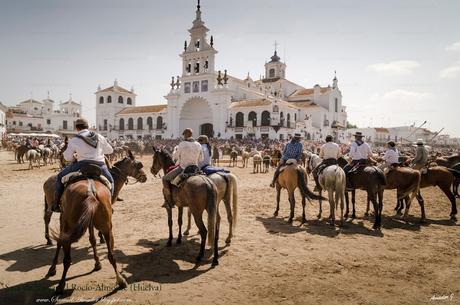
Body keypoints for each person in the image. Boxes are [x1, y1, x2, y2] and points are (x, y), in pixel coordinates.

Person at [51, 118, 114, 212]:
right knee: (112, 182)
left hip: (82, 165)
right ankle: (110, 204)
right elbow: (110, 150)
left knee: (59, 177)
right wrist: (98, 151)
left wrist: (74, 157)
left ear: (77, 128)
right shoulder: (100, 136)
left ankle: (56, 204)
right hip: (100, 166)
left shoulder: (74, 139)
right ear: (88, 127)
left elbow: (67, 157)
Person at [162, 128, 203, 209]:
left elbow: (175, 157)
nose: (183, 136)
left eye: (184, 135)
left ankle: (169, 201)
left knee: (165, 179)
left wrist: (175, 152)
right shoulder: (198, 144)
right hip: (195, 169)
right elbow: (201, 159)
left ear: (186, 135)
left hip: (183, 168)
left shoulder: (182, 144)